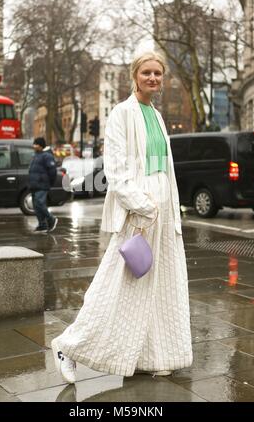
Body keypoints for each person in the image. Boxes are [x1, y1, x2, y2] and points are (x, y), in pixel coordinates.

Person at [51, 51, 193, 383]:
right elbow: (116, 172)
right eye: (147, 72)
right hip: (139, 214)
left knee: (162, 287)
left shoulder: (157, 116)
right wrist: (141, 205)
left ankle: (155, 355)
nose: (153, 78)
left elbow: (165, 170)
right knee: (115, 287)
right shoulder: (121, 113)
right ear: (135, 75)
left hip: (164, 213)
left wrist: (171, 213)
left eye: (158, 73)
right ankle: (68, 347)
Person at [29, 137, 58, 233]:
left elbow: (53, 171)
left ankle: (51, 219)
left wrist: (49, 183)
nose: (34, 146)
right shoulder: (36, 155)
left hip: (42, 184)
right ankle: (42, 225)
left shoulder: (47, 156)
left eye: (36, 144)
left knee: (40, 204)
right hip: (34, 185)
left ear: (41, 145)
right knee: (36, 206)